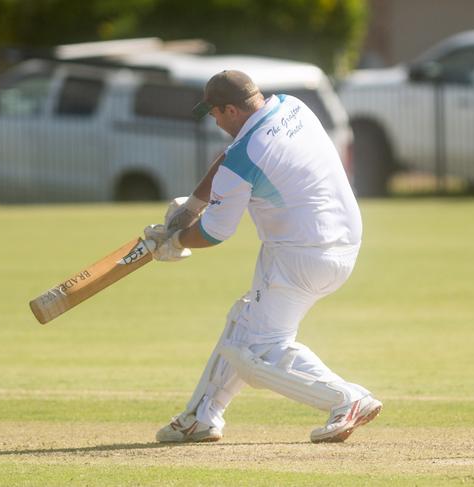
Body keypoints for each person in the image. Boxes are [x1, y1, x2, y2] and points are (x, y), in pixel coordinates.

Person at [145, 70, 381, 444]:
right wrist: (190, 208)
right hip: (343, 242)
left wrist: (175, 241)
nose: (214, 120)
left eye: (215, 113)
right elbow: (228, 159)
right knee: (245, 318)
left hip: (299, 256)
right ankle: (200, 417)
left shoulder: (245, 156)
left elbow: (215, 232)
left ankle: (347, 398)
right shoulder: (292, 106)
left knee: (254, 353)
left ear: (230, 110)